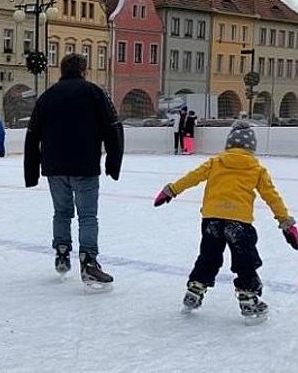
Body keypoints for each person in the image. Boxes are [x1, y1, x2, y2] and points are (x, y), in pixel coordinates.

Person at [154, 120, 297, 320]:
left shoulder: (216, 161)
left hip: (212, 219)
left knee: (209, 256)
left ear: (229, 144)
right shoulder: (257, 169)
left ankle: (195, 288)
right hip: (239, 222)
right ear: (251, 147)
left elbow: (192, 177)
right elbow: (272, 196)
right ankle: (248, 296)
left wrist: (171, 190)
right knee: (244, 260)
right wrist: (286, 223)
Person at [24, 53, 124, 287]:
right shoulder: (94, 92)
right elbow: (113, 127)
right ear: (84, 70)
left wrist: (32, 170)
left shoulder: (47, 96)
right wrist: (113, 162)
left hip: (54, 167)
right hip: (84, 165)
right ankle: (88, 262)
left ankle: (61, 251)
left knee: (62, 212)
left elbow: (32, 134)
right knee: (87, 216)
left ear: (61, 70)